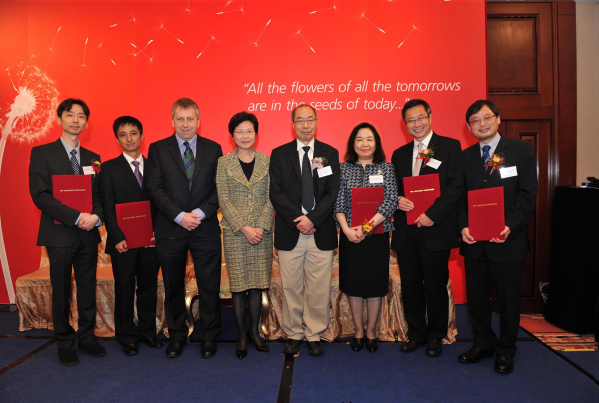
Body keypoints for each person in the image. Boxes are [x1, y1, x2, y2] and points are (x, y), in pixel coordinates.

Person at [458, 100, 537, 374]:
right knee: (477, 299)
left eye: (486, 118)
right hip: (474, 242)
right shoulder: (465, 156)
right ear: (469, 127)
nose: (482, 124)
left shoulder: (521, 150)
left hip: (507, 242)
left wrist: (510, 226)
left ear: (498, 119)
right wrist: (463, 227)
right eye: (475, 121)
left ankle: (505, 350)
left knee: (507, 300)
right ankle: (482, 343)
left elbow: (528, 194)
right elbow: (459, 198)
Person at [29, 98, 106, 366]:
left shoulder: (93, 158)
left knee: (87, 289)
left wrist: (96, 216)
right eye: (70, 115)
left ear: (86, 121)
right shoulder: (42, 153)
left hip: (88, 234)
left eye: (81, 116)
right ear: (59, 118)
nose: (76, 120)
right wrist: (76, 217)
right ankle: (64, 341)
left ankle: (86, 339)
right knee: (61, 290)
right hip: (59, 234)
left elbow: (99, 196)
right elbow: (40, 196)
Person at [146, 98, 223, 358]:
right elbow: (154, 189)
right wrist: (179, 216)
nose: (186, 124)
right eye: (180, 119)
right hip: (171, 229)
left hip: (205, 228)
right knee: (173, 286)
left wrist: (199, 214)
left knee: (209, 286)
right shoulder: (158, 149)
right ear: (172, 121)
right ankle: (176, 336)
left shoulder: (214, 149)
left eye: (190, 119)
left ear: (199, 121)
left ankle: (209, 337)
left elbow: (219, 189)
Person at [391, 99, 464, 357]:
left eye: (420, 118)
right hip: (407, 230)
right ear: (405, 124)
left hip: (436, 228)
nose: (416, 124)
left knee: (435, 285)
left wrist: (432, 214)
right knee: (410, 285)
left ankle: (435, 335)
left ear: (430, 116)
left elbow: (455, 187)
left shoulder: (450, 147)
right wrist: (397, 198)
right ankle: (416, 333)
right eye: (410, 120)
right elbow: (395, 188)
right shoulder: (399, 154)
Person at [269, 104, 340, 355]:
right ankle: (293, 332)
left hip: (320, 231)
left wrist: (314, 219)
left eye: (310, 120)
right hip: (291, 230)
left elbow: (332, 192)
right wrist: (299, 218)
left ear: (317, 122)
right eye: (300, 121)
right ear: (293, 124)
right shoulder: (279, 154)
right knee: (291, 286)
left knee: (319, 286)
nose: (305, 125)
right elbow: (275, 192)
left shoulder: (329, 153)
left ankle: (314, 333)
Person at [100, 116, 162, 356]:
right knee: (124, 288)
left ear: (142, 136)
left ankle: (147, 332)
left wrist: (158, 231)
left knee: (148, 287)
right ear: (117, 139)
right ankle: (127, 336)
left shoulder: (156, 167)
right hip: (122, 242)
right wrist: (116, 236)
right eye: (123, 134)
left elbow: (161, 203)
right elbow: (107, 205)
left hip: (151, 240)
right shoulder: (108, 168)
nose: (129, 138)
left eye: (133, 133)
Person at [334, 122, 398, 353]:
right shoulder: (343, 169)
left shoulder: (387, 168)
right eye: (360, 139)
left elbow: (391, 201)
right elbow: (338, 203)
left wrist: (367, 227)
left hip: (377, 236)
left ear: (376, 143)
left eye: (369, 139)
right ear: (353, 143)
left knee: (374, 284)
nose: (364, 144)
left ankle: (371, 330)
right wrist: (347, 230)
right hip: (350, 235)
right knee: (354, 284)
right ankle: (358, 330)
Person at [216, 111, 274, 359]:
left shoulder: (268, 161)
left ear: (256, 133)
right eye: (239, 131)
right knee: (239, 287)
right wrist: (243, 227)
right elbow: (223, 198)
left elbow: (273, 196)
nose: (245, 135)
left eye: (249, 130)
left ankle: (255, 332)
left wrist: (260, 226)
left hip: (262, 234)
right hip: (236, 233)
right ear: (232, 135)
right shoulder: (223, 163)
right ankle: (241, 336)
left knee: (257, 286)